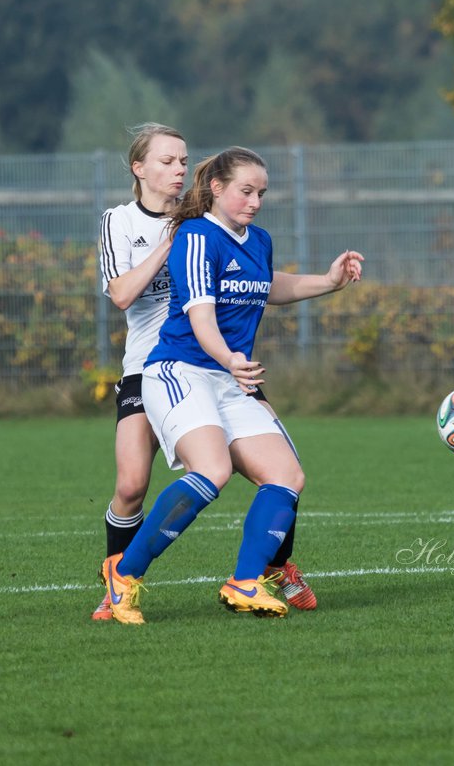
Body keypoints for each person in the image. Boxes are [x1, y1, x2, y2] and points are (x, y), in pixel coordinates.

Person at [100, 145, 364, 625]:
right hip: (180, 371)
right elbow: (199, 315)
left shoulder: (258, 240)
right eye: (246, 191)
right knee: (212, 470)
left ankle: (246, 581)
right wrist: (229, 359)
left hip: (228, 377)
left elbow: (268, 286)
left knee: (287, 475)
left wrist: (328, 281)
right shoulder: (197, 236)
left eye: (261, 192)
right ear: (217, 188)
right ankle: (125, 576)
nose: (255, 201)